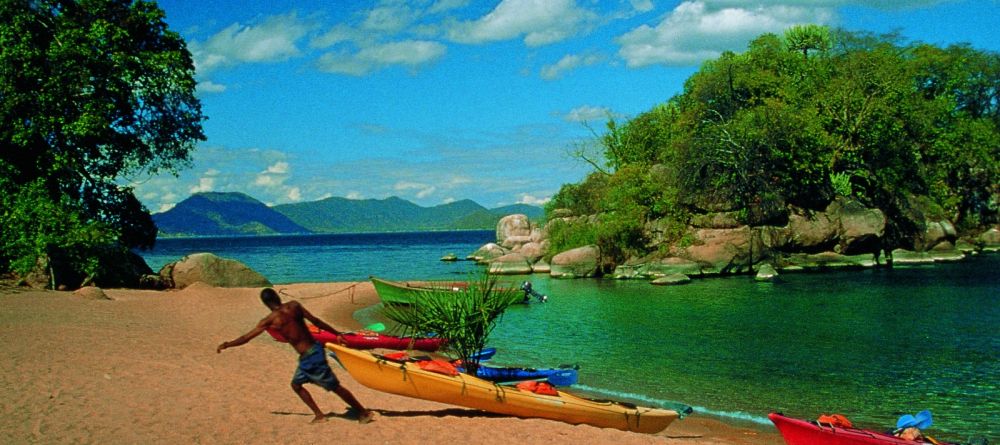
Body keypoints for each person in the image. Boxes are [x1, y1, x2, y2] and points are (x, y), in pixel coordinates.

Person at [217, 288, 375, 424]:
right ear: (277, 297)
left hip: (310, 357)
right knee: (296, 385)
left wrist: (228, 344)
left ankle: (363, 412)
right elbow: (316, 321)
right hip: (314, 351)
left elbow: (246, 337)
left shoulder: (269, 320)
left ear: (265, 303)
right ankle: (320, 416)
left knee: (334, 387)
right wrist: (337, 333)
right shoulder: (294, 306)